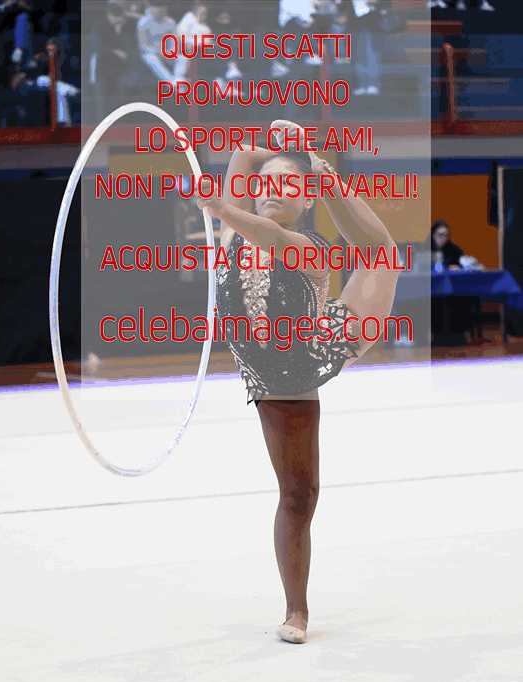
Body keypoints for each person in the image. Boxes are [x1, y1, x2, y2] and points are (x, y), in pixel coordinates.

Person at [197, 121, 400, 644]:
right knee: (298, 494)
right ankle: (295, 607)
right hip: (265, 373)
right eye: (265, 182)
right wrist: (285, 150)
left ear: (307, 200)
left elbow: (269, 236)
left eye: (288, 184)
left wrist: (311, 163)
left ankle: (297, 612)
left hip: (314, 350)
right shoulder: (233, 233)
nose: (272, 189)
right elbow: (243, 152)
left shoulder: (306, 245)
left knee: (382, 254)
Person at [137, 1, 177, 85]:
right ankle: (172, 83)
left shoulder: (171, 22)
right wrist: (158, 52)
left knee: (183, 57)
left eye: (163, 10)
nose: (161, 12)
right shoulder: (143, 23)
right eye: (158, 10)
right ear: (151, 9)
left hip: (167, 52)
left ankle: (179, 78)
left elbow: (173, 42)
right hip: (150, 53)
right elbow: (143, 46)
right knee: (152, 59)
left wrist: (170, 53)